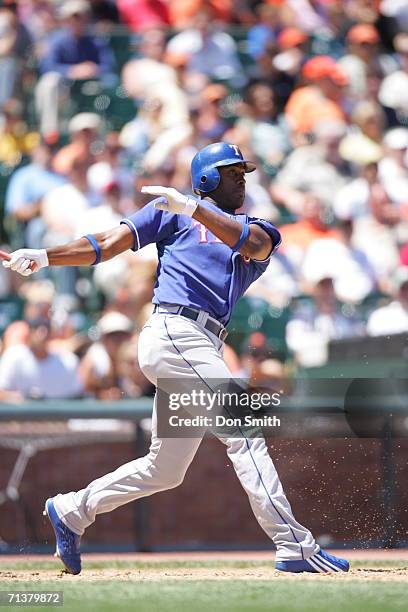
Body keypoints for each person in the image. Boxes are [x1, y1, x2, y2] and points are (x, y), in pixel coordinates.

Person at [3, 142, 349, 576]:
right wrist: (45, 256)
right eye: (231, 171)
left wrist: (194, 209)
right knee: (243, 427)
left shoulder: (253, 226)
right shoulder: (167, 211)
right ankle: (294, 544)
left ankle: (73, 510)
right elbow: (108, 243)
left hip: (199, 343)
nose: (241, 178)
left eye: (243, 171)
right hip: (174, 331)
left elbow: (256, 245)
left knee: (164, 468)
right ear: (206, 179)